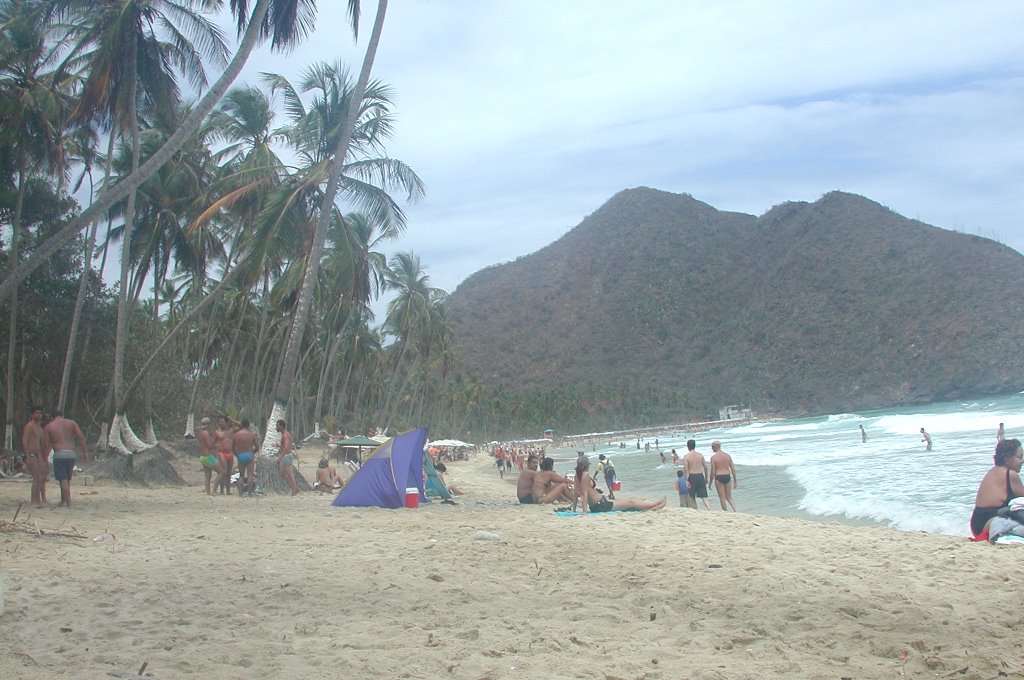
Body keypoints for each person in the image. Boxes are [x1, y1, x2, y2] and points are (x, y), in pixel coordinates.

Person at [970, 438, 1024, 537]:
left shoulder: (993, 471)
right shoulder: (1010, 474)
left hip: (976, 524)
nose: (1022, 461)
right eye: (1019, 457)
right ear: (1007, 459)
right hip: (990, 522)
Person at [43, 410, 88, 508]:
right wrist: (85, 451)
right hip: (71, 454)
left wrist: (45, 459)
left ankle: (68, 503)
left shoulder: (49, 426)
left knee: (62, 479)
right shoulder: (72, 423)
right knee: (67, 479)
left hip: (59, 454)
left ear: (52, 418)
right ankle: (63, 501)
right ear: (62, 416)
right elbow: (81, 436)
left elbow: (46, 445)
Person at [580, 475, 665, 512]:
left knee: (629, 506)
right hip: (601, 506)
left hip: (600, 505)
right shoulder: (585, 476)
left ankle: (652, 507)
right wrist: (584, 512)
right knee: (631, 502)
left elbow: (580, 493)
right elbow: (584, 494)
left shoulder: (578, 476)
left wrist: (574, 508)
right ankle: (655, 504)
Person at [22, 406, 49, 507]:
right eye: (36, 413)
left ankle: (38, 500)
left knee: (41, 478)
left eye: (40, 413)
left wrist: (44, 460)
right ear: (32, 415)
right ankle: (34, 501)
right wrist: (28, 456)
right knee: (36, 479)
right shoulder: (30, 426)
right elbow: (25, 440)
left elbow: (42, 445)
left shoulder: (40, 429)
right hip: (31, 454)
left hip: (38, 455)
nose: (39, 415)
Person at [197, 417, 225, 496]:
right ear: (208, 425)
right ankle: (214, 490)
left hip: (202, 457)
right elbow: (210, 445)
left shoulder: (200, 433)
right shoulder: (206, 433)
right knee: (221, 472)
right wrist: (217, 445)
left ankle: (208, 492)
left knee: (208, 475)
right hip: (207, 457)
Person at [681, 439, 710, 510]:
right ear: (695, 446)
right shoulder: (700, 455)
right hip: (700, 476)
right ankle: (709, 509)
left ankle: (695, 510)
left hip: (692, 476)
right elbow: (706, 468)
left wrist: (686, 480)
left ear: (687, 446)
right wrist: (706, 478)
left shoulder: (686, 457)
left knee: (692, 496)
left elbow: (685, 469)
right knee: (704, 496)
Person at [709, 440, 737, 512]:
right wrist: (735, 481)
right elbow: (733, 469)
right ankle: (735, 510)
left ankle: (725, 512)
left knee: (722, 497)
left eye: (712, 447)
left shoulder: (714, 457)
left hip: (719, 477)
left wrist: (710, 483)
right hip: (727, 476)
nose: (711, 448)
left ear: (716, 447)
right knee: (729, 497)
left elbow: (712, 471)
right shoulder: (727, 456)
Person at [233, 418, 258, 496]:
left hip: (240, 455)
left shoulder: (236, 435)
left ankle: (240, 493)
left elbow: (232, 447)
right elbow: (257, 446)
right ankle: (249, 493)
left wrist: (237, 455)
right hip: (249, 455)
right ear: (248, 425)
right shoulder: (252, 434)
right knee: (250, 475)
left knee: (241, 475)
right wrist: (253, 453)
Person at [213, 416, 236, 494]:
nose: (220, 423)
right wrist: (216, 447)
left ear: (226, 422)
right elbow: (212, 443)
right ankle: (219, 490)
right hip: (221, 453)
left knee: (229, 473)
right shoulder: (217, 432)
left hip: (230, 453)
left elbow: (242, 426)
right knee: (223, 472)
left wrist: (232, 419)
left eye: (222, 421)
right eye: (219, 421)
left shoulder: (231, 431)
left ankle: (228, 491)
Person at [276, 419, 299, 496]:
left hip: (287, 456)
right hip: (286, 456)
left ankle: (294, 489)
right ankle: (294, 487)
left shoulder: (285, 435)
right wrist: (279, 446)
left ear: (281, 426)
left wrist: (280, 457)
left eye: (277, 426)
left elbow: (286, 447)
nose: (276, 427)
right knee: (283, 474)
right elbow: (286, 446)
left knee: (290, 474)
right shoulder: (285, 434)